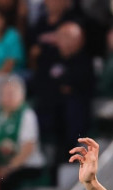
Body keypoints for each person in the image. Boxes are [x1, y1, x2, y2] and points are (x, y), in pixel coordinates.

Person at [33, 21, 94, 168]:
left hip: (72, 112)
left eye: (67, 36)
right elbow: (40, 82)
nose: (61, 40)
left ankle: (67, 155)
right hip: (49, 107)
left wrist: (61, 86)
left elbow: (80, 86)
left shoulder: (84, 61)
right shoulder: (49, 57)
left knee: (73, 107)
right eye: (61, 36)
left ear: (78, 40)